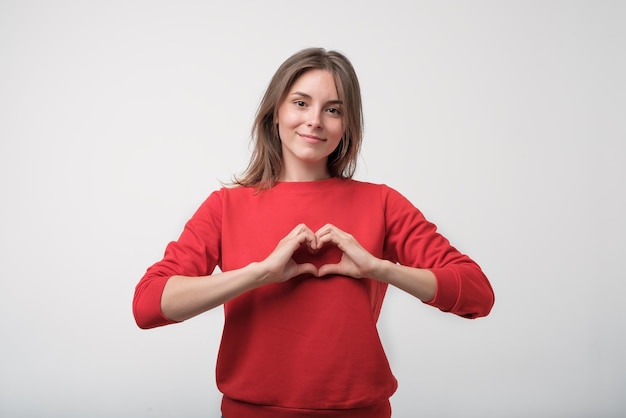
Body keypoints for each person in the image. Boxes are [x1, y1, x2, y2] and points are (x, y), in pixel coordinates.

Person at [133, 47, 494, 418]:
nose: (315, 120)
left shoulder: (382, 203)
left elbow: (477, 293)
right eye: (301, 103)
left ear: (348, 125)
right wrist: (260, 273)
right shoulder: (226, 206)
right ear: (276, 113)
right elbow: (148, 305)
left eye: (333, 109)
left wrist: (379, 269)